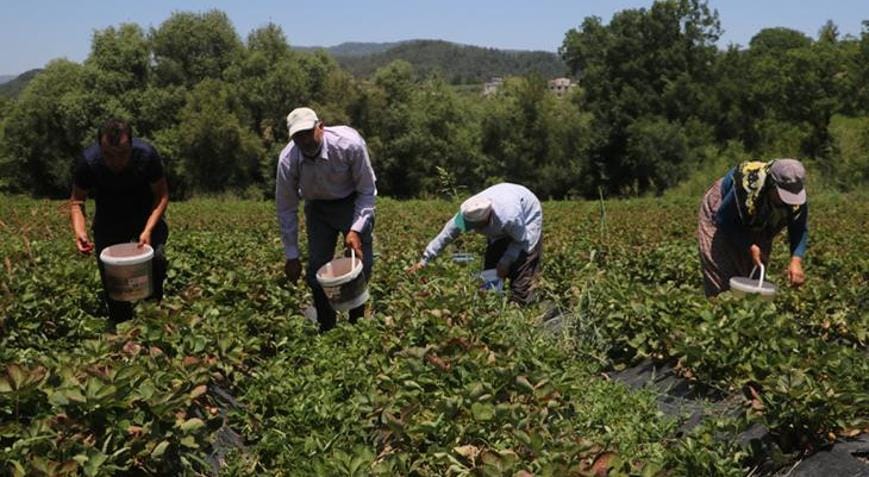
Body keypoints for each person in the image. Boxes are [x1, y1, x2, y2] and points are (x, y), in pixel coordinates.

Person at [276, 107, 377, 332]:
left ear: (320, 127)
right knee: (316, 272)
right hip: (318, 208)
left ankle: (356, 324)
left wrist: (356, 230)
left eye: (307, 133)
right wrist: (291, 256)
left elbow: (367, 191)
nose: (303, 140)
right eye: (297, 136)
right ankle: (327, 326)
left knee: (360, 264)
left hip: (352, 202)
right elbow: (286, 208)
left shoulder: (349, 144)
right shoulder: (287, 160)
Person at [70, 118, 170, 323]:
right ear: (100, 147)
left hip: (146, 215)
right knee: (112, 276)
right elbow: (77, 201)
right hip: (109, 218)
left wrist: (148, 229)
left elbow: (162, 195)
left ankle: (153, 316)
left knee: (156, 260)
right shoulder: (88, 162)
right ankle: (120, 325)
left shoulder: (147, 156)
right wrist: (80, 231)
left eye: (123, 154)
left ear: (131, 145)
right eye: (108, 155)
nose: (116, 161)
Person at [409, 183, 543, 305]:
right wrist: (424, 260)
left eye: (474, 226)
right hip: (504, 214)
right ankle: (491, 304)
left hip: (527, 217)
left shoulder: (509, 217)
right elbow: (446, 235)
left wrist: (505, 262)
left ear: (485, 220)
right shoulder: (469, 211)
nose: (471, 229)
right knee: (491, 266)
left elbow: (521, 241)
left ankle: (520, 305)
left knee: (523, 266)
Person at [697, 158, 808, 297]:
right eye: (783, 194)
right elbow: (723, 220)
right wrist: (749, 245)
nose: (788, 200)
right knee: (722, 275)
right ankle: (720, 311)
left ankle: (747, 313)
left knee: (754, 273)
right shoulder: (747, 186)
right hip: (724, 213)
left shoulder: (796, 192)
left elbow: (799, 227)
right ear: (771, 184)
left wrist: (796, 260)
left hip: (760, 217)